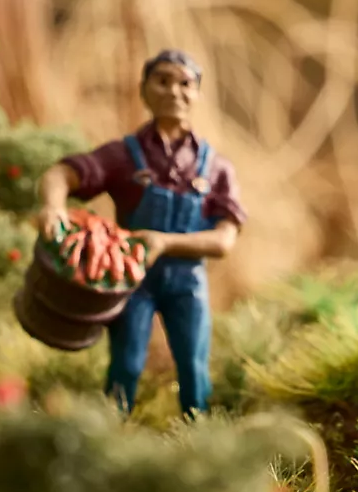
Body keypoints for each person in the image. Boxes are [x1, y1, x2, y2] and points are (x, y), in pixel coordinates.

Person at [36, 49, 244, 415]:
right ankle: (113, 436)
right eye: (162, 80)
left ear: (197, 93)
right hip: (132, 279)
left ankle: (199, 443)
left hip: (188, 284)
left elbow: (225, 240)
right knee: (126, 363)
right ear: (144, 90)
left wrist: (165, 242)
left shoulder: (215, 168)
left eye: (185, 83)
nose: (174, 91)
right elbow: (61, 173)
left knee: (194, 368)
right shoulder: (123, 156)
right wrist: (53, 207)